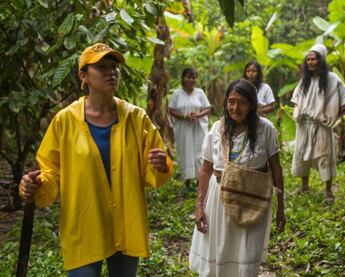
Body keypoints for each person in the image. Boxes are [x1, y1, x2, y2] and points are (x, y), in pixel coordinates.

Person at [18, 43, 173, 276]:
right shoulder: (65, 121)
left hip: (125, 223)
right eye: (102, 67)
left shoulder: (136, 118)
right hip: (84, 224)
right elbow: (50, 172)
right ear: (84, 75)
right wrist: (36, 185)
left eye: (114, 67)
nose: (111, 72)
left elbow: (155, 170)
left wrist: (160, 165)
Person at [189, 79, 285, 276]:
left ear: (252, 105)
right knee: (219, 253)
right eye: (231, 101)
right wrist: (199, 206)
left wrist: (281, 207)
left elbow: (276, 169)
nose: (235, 107)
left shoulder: (266, 129)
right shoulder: (217, 129)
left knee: (246, 254)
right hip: (219, 200)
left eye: (241, 103)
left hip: (254, 199)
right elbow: (206, 169)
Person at [291, 43, 345, 202]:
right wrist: (298, 112)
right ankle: (304, 186)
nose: (310, 62)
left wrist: (334, 115)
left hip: (321, 125)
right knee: (301, 155)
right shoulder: (304, 80)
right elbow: (297, 100)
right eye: (308, 60)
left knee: (325, 156)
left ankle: (328, 191)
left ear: (321, 61)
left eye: (313, 59)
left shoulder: (332, 79)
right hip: (304, 124)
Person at [168, 68, 211, 186]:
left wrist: (198, 115)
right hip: (183, 129)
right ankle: (187, 182)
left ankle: (199, 181)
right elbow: (171, 110)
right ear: (183, 79)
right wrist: (184, 116)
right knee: (185, 152)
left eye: (193, 77)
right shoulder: (177, 93)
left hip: (198, 128)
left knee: (199, 152)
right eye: (188, 77)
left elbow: (207, 108)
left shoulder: (200, 93)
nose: (191, 80)